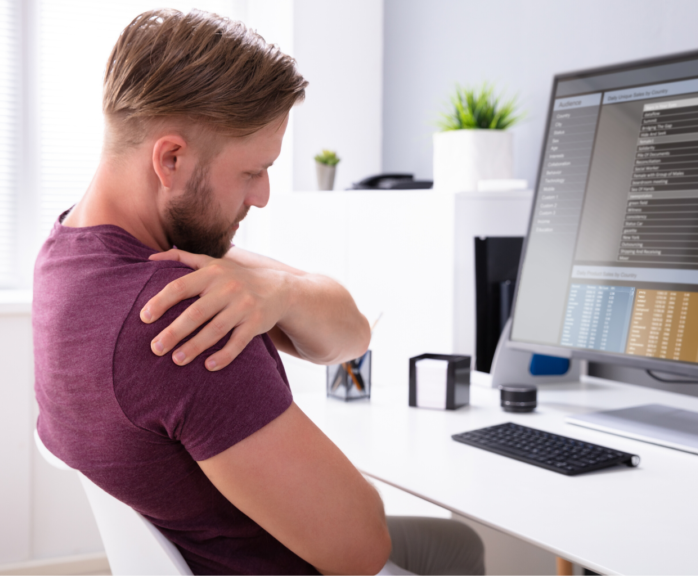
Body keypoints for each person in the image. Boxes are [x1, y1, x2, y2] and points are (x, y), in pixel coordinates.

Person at [33, 9, 484, 575]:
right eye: (252, 171)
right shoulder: (181, 318)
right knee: (456, 547)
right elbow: (362, 548)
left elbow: (351, 335)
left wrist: (284, 295)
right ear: (171, 159)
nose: (264, 195)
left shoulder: (71, 255)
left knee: (455, 545)